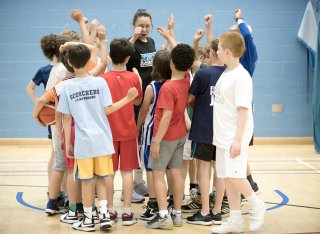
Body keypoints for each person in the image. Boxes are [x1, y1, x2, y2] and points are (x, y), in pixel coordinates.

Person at [57, 44, 138, 232]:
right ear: (88, 61)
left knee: (87, 181)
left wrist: (67, 142)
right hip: (103, 140)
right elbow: (108, 110)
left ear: (69, 63)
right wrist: (127, 99)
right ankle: (104, 217)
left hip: (84, 144)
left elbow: (66, 118)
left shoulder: (66, 87)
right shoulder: (100, 82)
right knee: (102, 178)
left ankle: (88, 220)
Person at [211, 31, 265, 233]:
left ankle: (257, 204)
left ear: (226, 52)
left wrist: (237, 140)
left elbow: (243, 110)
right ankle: (235, 220)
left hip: (234, 136)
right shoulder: (227, 72)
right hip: (222, 135)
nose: (216, 51)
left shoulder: (242, 76)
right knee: (227, 177)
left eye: (218, 49)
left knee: (235, 176)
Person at [146, 43, 195, 230]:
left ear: (172, 63)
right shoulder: (187, 79)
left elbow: (165, 117)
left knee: (158, 174)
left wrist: (156, 141)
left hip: (166, 137)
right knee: (177, 173)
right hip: (181, 135)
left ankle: (163, 216)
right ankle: (177, 214)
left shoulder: (167, 88)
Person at [101, 38, 143, 226]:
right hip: (127, 132)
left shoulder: (102, 79)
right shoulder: (133, 78)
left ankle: (109, 210)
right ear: (127, 59)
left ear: (110, 56)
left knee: (108, 173)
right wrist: (139, 81)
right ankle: (127, 212)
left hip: (107, 133)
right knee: (127, 173)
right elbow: (137, 102)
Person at [185, 38, 225, 226]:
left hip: (203, 128)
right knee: (220, 169)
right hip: (224, 129)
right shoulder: (231, 73)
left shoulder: (202, 74)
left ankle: (205, 211)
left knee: (203, 169)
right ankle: (217, 211)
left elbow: (190, 100)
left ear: (211, 53)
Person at [136, 50, 172, 221]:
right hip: (170, 133)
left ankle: (153, 204)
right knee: (167, 170)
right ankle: (168, 203)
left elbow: (143, 112)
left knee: (151, 171)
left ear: (154, 66)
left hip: (152, 133)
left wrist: (136, 130)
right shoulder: (174, 84)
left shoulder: (152, 87)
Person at [127, 9, 157, 200]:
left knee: (145, 138)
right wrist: (132, 38)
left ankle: (139, 181)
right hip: (136, 97)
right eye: (140, 26)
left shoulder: (152, 43)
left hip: (151, 95)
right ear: (134, 26)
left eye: (147, 26)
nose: (144, 29)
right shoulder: (131, 44)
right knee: (135, 137)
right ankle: (131, 186)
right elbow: (122, 56)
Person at [26, 34, 54, 195]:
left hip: (54, 114)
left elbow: (29, 88)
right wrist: (42, 105)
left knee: (55, 154)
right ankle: (54, 189)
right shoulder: (62, 69)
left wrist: (39, 102)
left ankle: (52, 189)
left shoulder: (43, 70)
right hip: (57, 115)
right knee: (58, 155)